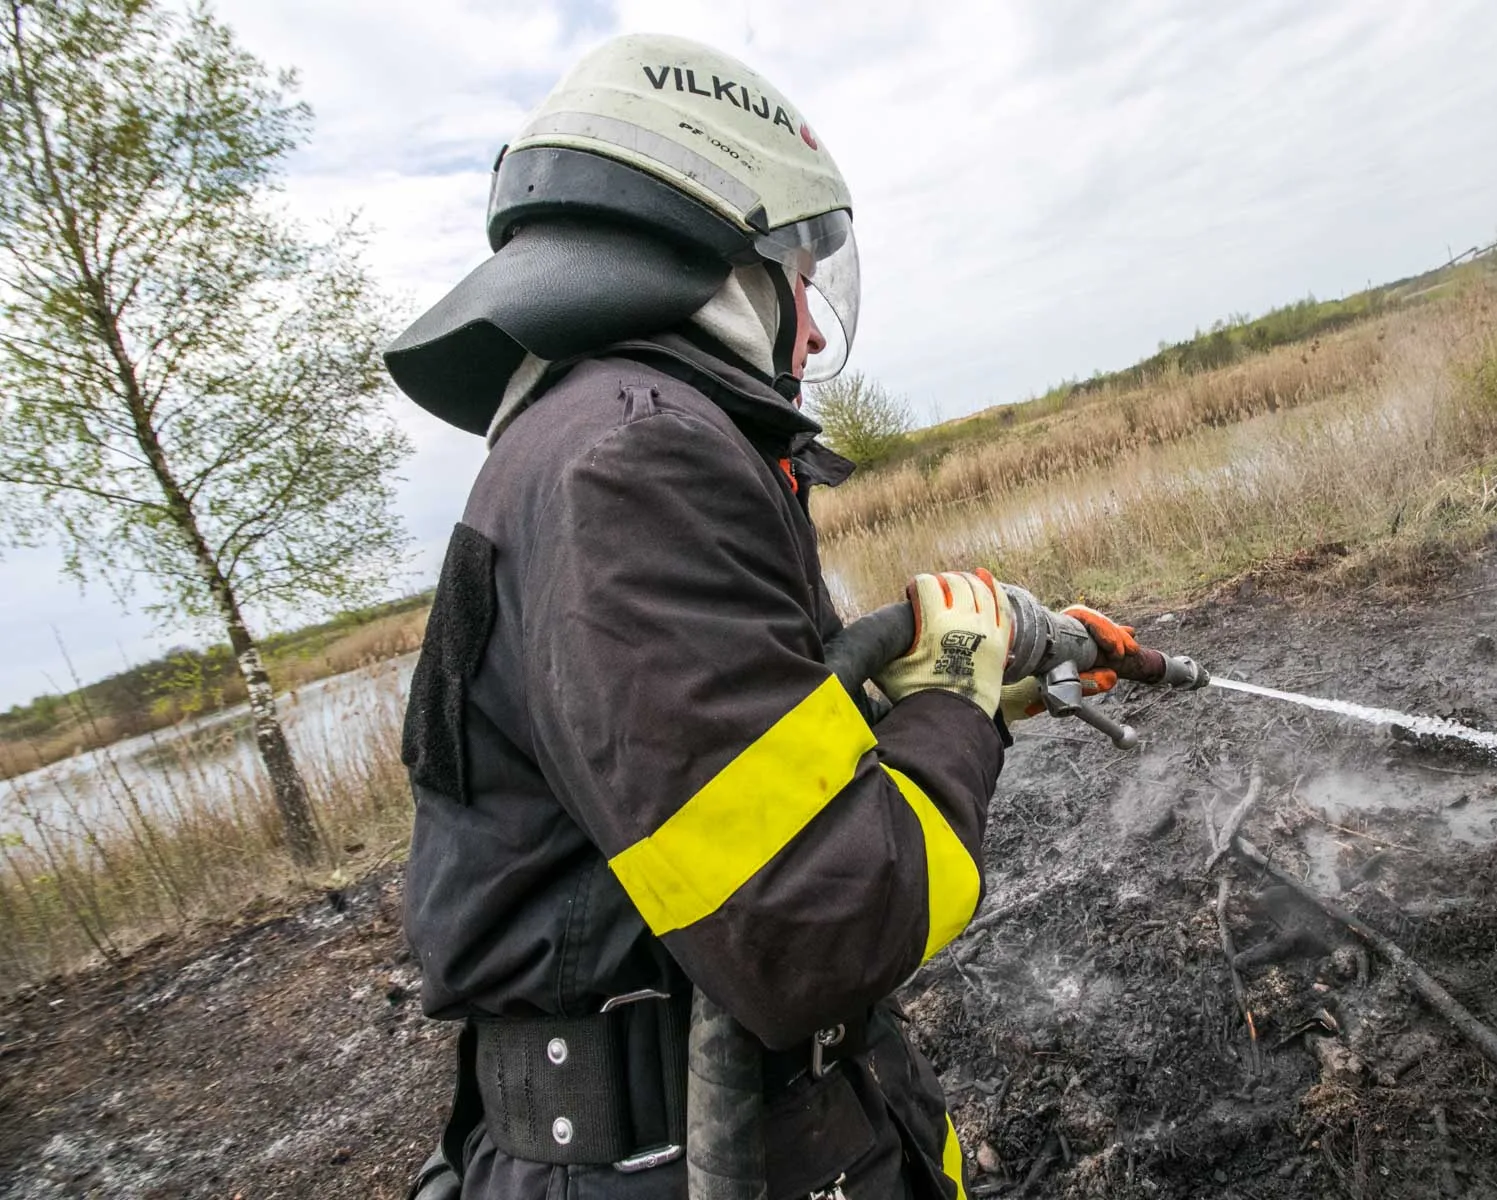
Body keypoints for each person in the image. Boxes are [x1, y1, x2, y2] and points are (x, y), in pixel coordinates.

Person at [386, 33, 1140, 1200]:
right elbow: (820, 924)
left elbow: (740, 775)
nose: (811, 330)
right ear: (716, 246)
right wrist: (949, 704)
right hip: (673, 1155)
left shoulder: (596, 440)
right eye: (795, 275)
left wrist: (981, 688)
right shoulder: (633, 462)